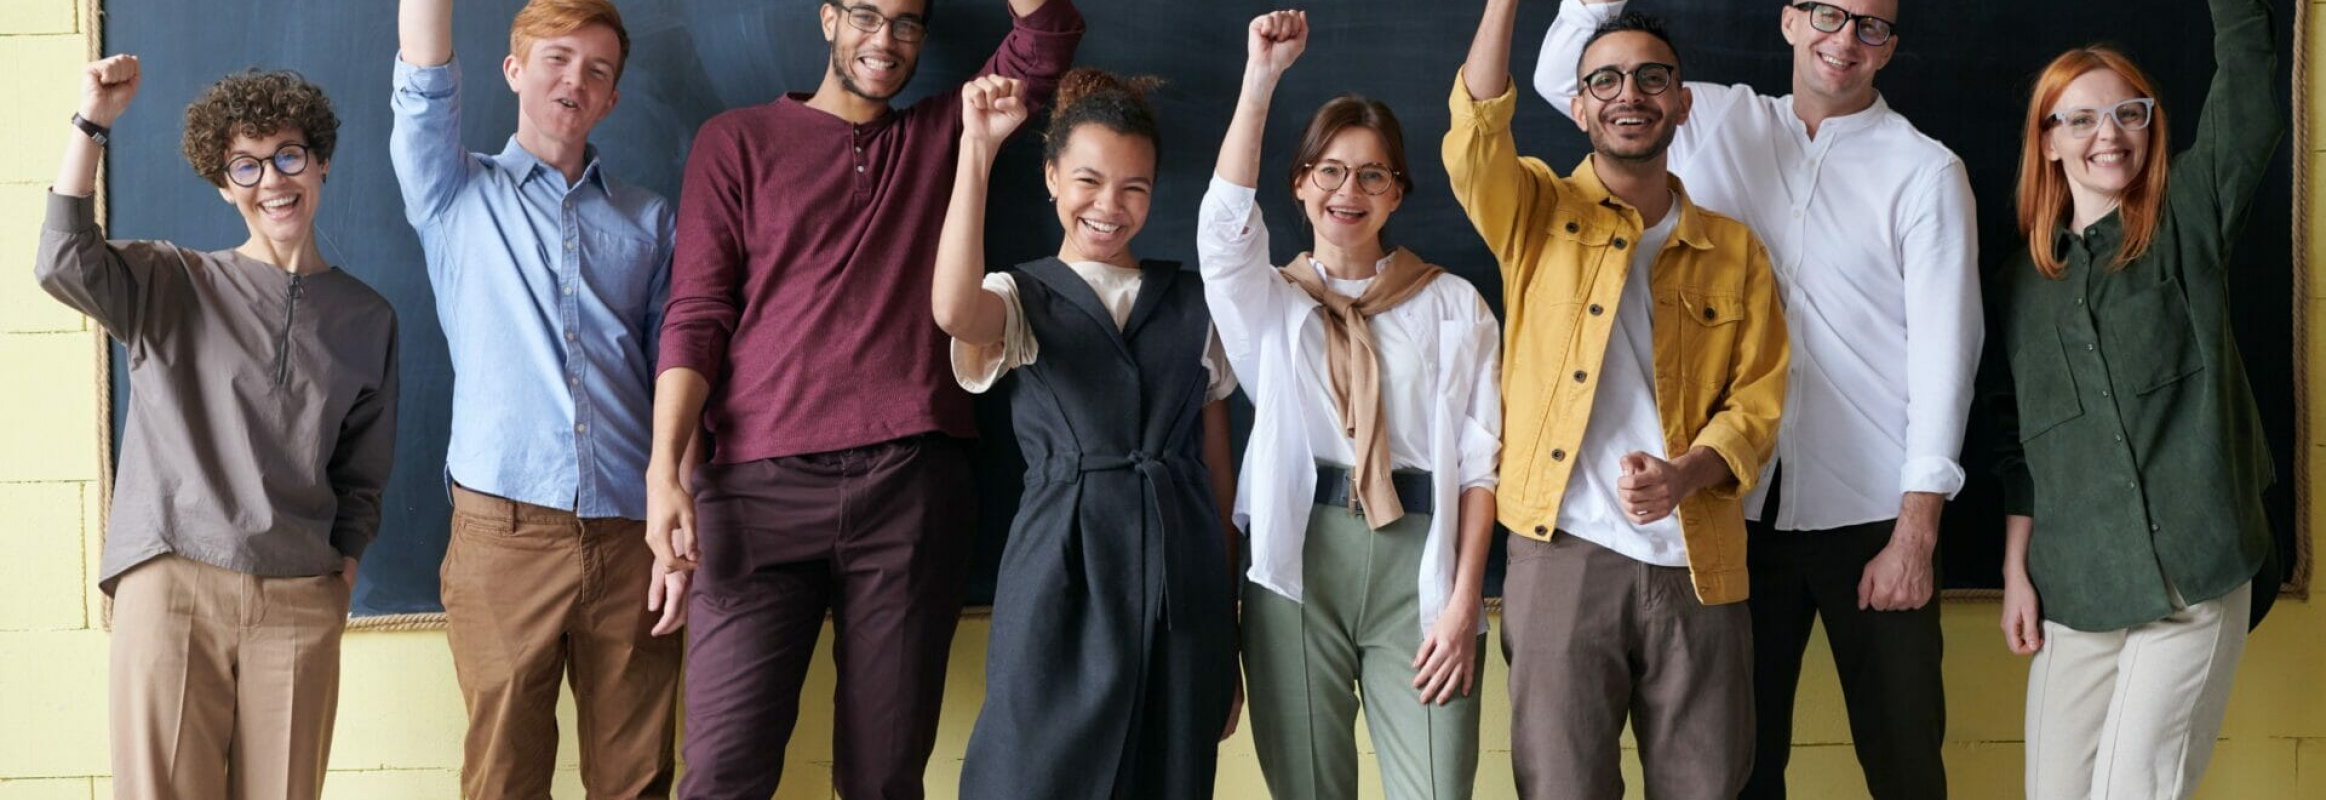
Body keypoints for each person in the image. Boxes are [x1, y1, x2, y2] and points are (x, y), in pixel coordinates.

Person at [1536, 2, 1980, 795]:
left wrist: (1917, 532)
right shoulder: (1712, 116)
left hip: (1873, 516)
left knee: (1906, 759)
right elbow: (1563, 71)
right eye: (1828, 14)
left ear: (1889, 49)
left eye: (1870, 26)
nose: (1844, 39)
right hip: (1734, 513)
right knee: (1741, 770)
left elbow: (1949, 357)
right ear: (1789, 22)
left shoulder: (1926, 171)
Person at [647, 0, 1083, 795]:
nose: (886, 39)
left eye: (907, 22)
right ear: (827, 20)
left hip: (908, 489)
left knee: (884, 779)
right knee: (719, 772)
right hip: (755, 490)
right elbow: (696, 317)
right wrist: (663, 471)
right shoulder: (735, 141)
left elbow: (1045, 37)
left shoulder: (943, 133)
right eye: (865, 15)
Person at [1447, 2, 1789, 798]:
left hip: (1698, 562)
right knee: (1561, 784)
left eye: (1650, 77)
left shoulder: (1734, 248)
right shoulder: (1532, 210)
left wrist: (1687, 473)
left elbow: (1759, 400)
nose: (1627, 93)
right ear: (1577, 104)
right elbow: (1474, 134)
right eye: (1603, 79)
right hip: (1562, 549)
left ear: (1680, 100)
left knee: (1708, 783)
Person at [39, 58, 399, 800]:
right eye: (247, 166)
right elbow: (63, 261)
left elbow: (361, 473)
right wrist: (92, 122)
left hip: (300, 594)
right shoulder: (172, 282)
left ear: (321, 162)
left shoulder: (369, 319)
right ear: (223, 184)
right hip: (172, 583)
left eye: (289, 156)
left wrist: (342, 570)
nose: (273, 180)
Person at [1200, 11, 1504, 799]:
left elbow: (1480, 467)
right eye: (1329, 171)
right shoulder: (1267, 304)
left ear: (1398, 193)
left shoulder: (1454, 305)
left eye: (1373, 174)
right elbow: (1224, 229)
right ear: (1300, 184)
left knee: (1437, 787)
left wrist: (1465, 603)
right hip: (1298, 562)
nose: (1350, 190)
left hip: (1421, 567)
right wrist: (1261, 78)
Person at [389, 0, 681, 796]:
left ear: (613, 98)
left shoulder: (649, 220)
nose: (573, 80)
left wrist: (680, 531)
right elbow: (422, 83)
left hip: (631, 536)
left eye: (597, 70)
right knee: (505, 777)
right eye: (555, 58)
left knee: (638, 779)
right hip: (504, 533)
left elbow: (677, 378)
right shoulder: (451, 192)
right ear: (514, 71)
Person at [1991, 0, 2280, 796]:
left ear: (2151, 125)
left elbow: (2251, 82)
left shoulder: (2188, 219)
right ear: (2047, 141)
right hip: (2075, 590)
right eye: (2079, 119)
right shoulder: (2019, 288)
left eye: (2128, 112)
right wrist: (2017, 572)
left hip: (2194, 574)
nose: (2108, 134)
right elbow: (2018, 444)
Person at [934, 67, 1242, 800]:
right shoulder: (1020, 295)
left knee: (1164, 775)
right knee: (1033, 774)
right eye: (1088, 181)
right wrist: (976, 151)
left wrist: (1226, 631)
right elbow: (952, 309)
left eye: (1134, 187)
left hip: (1181, 583)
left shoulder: (1197, 302)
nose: (1110, 206)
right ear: (1050, 178)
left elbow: (1218, 476)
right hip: (1060, 578)